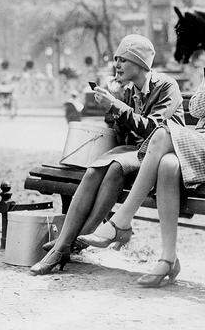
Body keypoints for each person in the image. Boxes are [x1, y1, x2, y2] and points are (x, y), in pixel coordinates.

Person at [79, 12, 205, 286]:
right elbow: (195, 110)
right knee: (167, 165)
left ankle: (121, 220)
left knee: (162, 134)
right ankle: (168, 258)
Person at [30, 34, 185, 275]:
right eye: (116, 60)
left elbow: (153, 129)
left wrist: (116, 106)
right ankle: (66, 244)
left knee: (114, 166)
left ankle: (68, 244)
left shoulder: (166, 86)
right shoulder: (129, 90)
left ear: (141, 64)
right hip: (136, 153)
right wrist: (111, 110)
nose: (117, 65)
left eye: (123, 60)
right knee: (95, 169)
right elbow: (124, 135)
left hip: (162, 153)